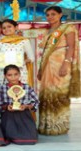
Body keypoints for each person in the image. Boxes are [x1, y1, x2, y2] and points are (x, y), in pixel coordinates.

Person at [37, 6, 80, 135]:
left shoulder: (67, 28)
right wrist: (40, 69)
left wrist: (66, 64)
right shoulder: (49, 31)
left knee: (59, 93)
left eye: (53, 14)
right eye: (48, 15)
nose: (50, 17)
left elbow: (71, 47)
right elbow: (45, 51)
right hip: (47, 65)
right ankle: (46, 126)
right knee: (46, 94)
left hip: (60, 63)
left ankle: (59, 126)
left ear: (60, 14)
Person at [0, 64, 38, 145]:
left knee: (31, 139)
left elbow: (36, 102)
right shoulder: (2, 89)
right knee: (7, 135)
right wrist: (7, 107)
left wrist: (26, 106)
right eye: (9, 75)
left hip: (24, 115)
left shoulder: (27, 87)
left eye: (16, 74)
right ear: (5, 76)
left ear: (19, 74)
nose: (13, 77)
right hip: (8, 116)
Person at [0, 19, 34, 87]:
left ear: (16, 27)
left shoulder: (24, 41)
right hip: (3, 73)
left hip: (20, 72)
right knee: (5, 94)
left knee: (20, 93)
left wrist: (20, 62)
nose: (6, 29)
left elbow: (31, 58)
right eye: (4, 28)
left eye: (9, 26)